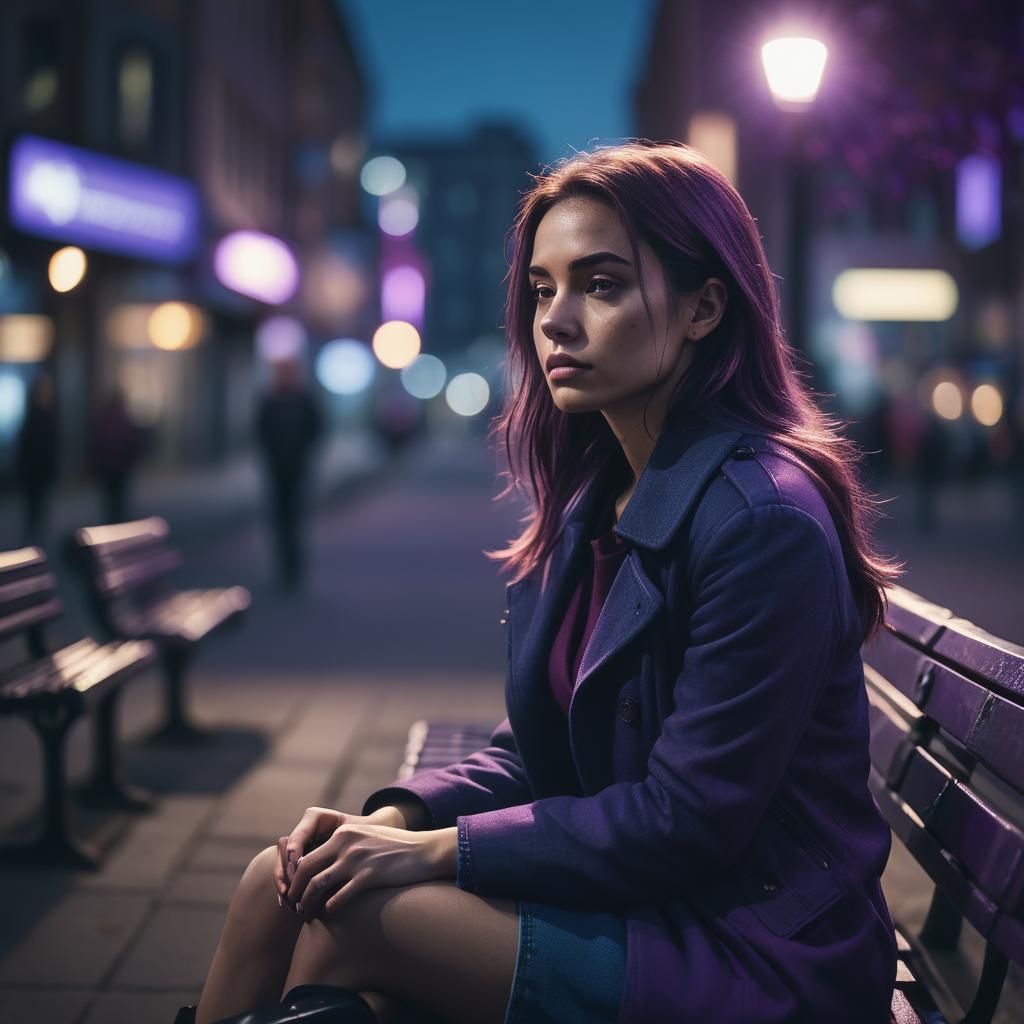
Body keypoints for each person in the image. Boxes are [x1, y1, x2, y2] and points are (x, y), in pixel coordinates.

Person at [185, 142, 900, 1024]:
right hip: (658, 907)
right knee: (278, 877)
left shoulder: (761, 521)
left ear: (704, 307)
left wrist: (445, 855)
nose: (555, 320)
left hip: (757, 950)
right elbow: (544, 745)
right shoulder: (599, 493)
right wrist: (401, 819)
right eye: (542, 289)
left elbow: (687, 819)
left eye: (600, 285)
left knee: (348, 917)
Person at [255, 358, 323, 590]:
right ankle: (285, 568)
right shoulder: (271, 400)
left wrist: (303, 452)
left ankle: (293, 568)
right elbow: (260, 431)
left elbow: (316, 428)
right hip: (277, 469)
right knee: (280, 519)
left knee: (293, 519)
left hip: (296, 468)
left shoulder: (302, 400)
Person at [89, 389, 147, 524]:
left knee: (110, 499)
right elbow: (133, 443)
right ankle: (117, 521)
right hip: (119, 468)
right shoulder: (123, 419)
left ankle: (112, 521)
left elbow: (97, 444)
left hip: (109, 468)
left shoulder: (105, 419)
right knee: (118, 498)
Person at [15, 371, 59, 545]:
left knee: (34, 506)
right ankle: (34, 538)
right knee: (36, 505)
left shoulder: (31, 417)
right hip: (38, 471)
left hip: (34, 471)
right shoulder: (43, 418)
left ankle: (32, 537)